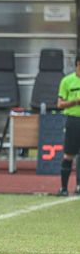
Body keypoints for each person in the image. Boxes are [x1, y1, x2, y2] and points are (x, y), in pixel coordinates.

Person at [57, 55, 80, 196]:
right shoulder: (67, 81)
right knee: (69, 154)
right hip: (73, 120)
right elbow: (60, 104)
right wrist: (76, 101)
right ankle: (64, 188)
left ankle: (79, 186)